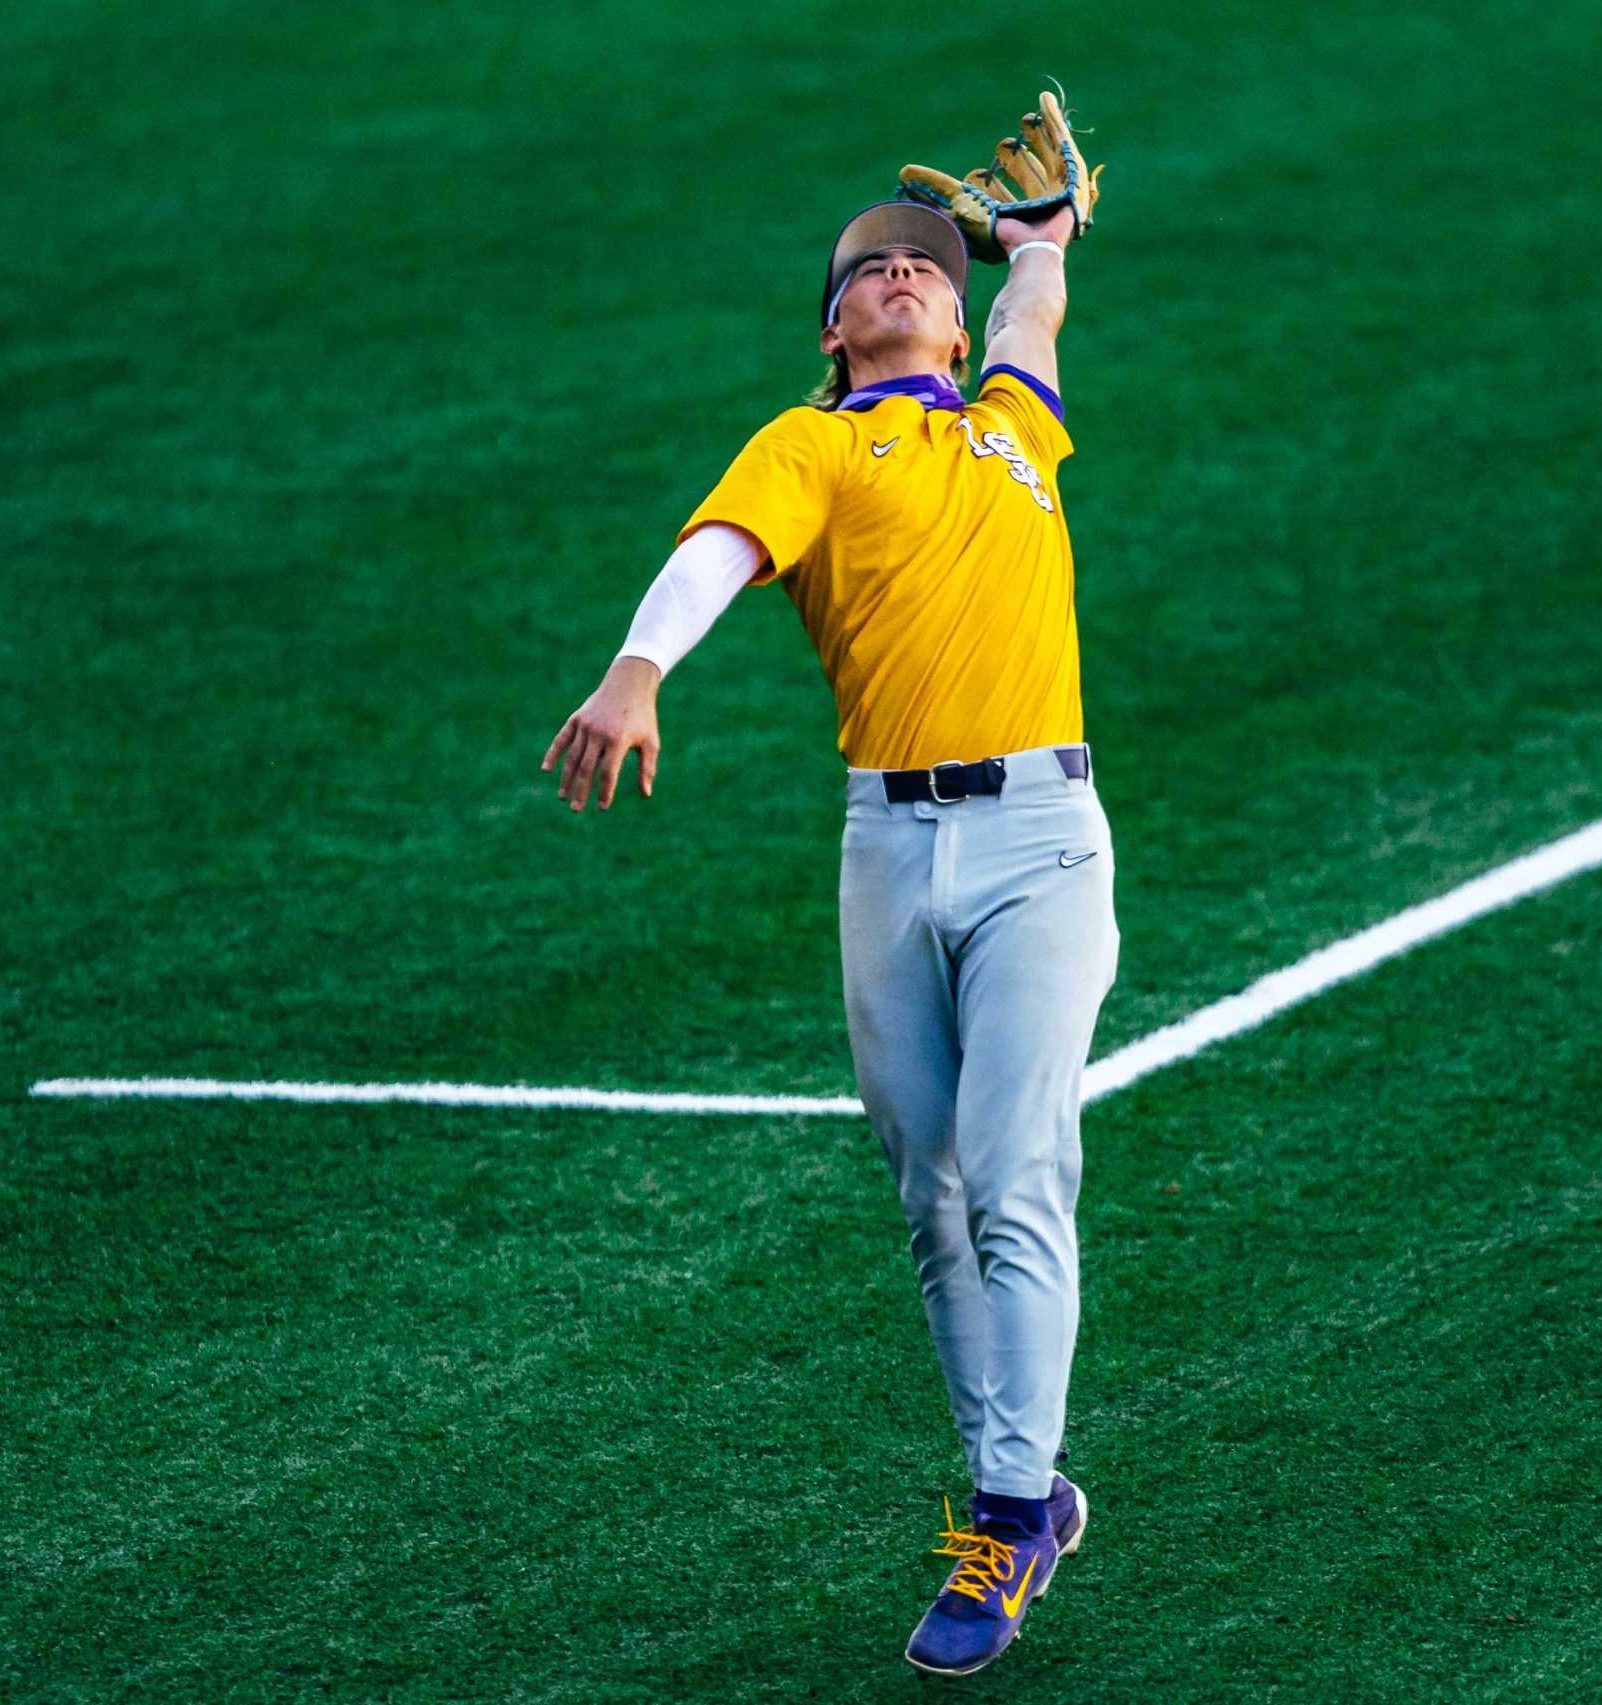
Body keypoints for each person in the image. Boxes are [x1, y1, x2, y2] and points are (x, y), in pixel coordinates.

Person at [541, 191, 1117, 1678]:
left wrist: (1040, 240)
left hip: (1044, 841)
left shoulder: (1013, 421)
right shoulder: (813, 447)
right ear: (835, 325)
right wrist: (635, 670)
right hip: (887, 844)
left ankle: (1004, 1520)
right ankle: (1027, 1485)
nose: (909, 268)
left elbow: (1031, 316)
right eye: (873, 267)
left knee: (1011, 1166)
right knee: (928, 1187)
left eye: (927, 257)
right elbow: (723, 549)